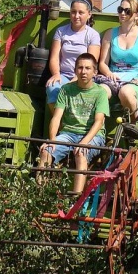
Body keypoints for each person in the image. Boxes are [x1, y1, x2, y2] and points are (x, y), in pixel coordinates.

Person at [40, 53, 109, 194]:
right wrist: (52, 140)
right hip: (68, 134)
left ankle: (75, 200)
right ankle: (41, 194)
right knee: (46, 152)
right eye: (80, 68)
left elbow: (98, 122)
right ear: (75, 70)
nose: (83, 72)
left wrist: (83, 143)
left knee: (81, 154)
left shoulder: (100, 92)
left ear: (95, 72)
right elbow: (56, 117)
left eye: (88, 68)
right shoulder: (66, 90)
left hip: (92, 136)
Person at [46, 0, 101, 112]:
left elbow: (92, 62)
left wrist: (76, 79)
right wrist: (56, 74)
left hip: (83, 77)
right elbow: (54, 57)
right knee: (52, 88)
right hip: (63, 75)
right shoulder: (61, 31)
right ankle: (59, 121)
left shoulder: (93, 35)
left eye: (81, 12)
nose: (76, 16)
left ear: (89, 14)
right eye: (73, 12)